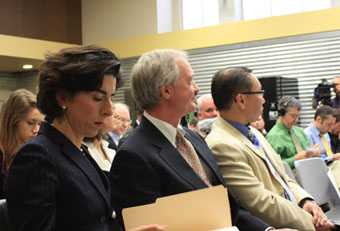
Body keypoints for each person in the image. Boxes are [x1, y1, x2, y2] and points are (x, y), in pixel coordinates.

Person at [109, 49, 296, 231]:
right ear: (166, 91)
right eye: (190, 81)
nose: (197, 88)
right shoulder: (134, 156)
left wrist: (268, 230)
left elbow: (229, 206)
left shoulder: (194, 139)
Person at [5, 45, 164, 231]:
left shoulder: (79, 150)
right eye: (98, 98)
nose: (109, 109)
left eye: (111, 97)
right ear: (62, 97)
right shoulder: (37, 156)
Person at [206, 66, 334, 231]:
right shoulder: (221, 145)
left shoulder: (253, 133)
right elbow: (260, 202)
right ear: (241, 100)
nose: (263, 100)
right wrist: (312, 224)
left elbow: (282, 177)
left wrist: (305, 201)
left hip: (297, 215)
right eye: (259, 93)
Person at [0, 89, 44, 199]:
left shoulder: (35, 152)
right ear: (13, 122)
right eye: (30, 123)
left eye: (39, 124)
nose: (36, 129)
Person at [266, 96, 322, 169]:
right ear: (282, 113)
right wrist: (295, 159)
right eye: (293, 116)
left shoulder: (299, 131)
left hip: (310, 169)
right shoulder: (274, 136)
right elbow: (272, 164)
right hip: (291, 176)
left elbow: (309, 152)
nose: (296, 120)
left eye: (298, 116)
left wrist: (314, 153)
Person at [304, 105, 340, 190]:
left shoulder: (325, 134)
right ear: (319, 119)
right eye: (328, 124)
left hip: (330, 164)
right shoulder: (306, 135)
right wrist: (333, 157)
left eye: (332, 124)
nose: (331, 128)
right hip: (318, 169)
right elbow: (310, 161)